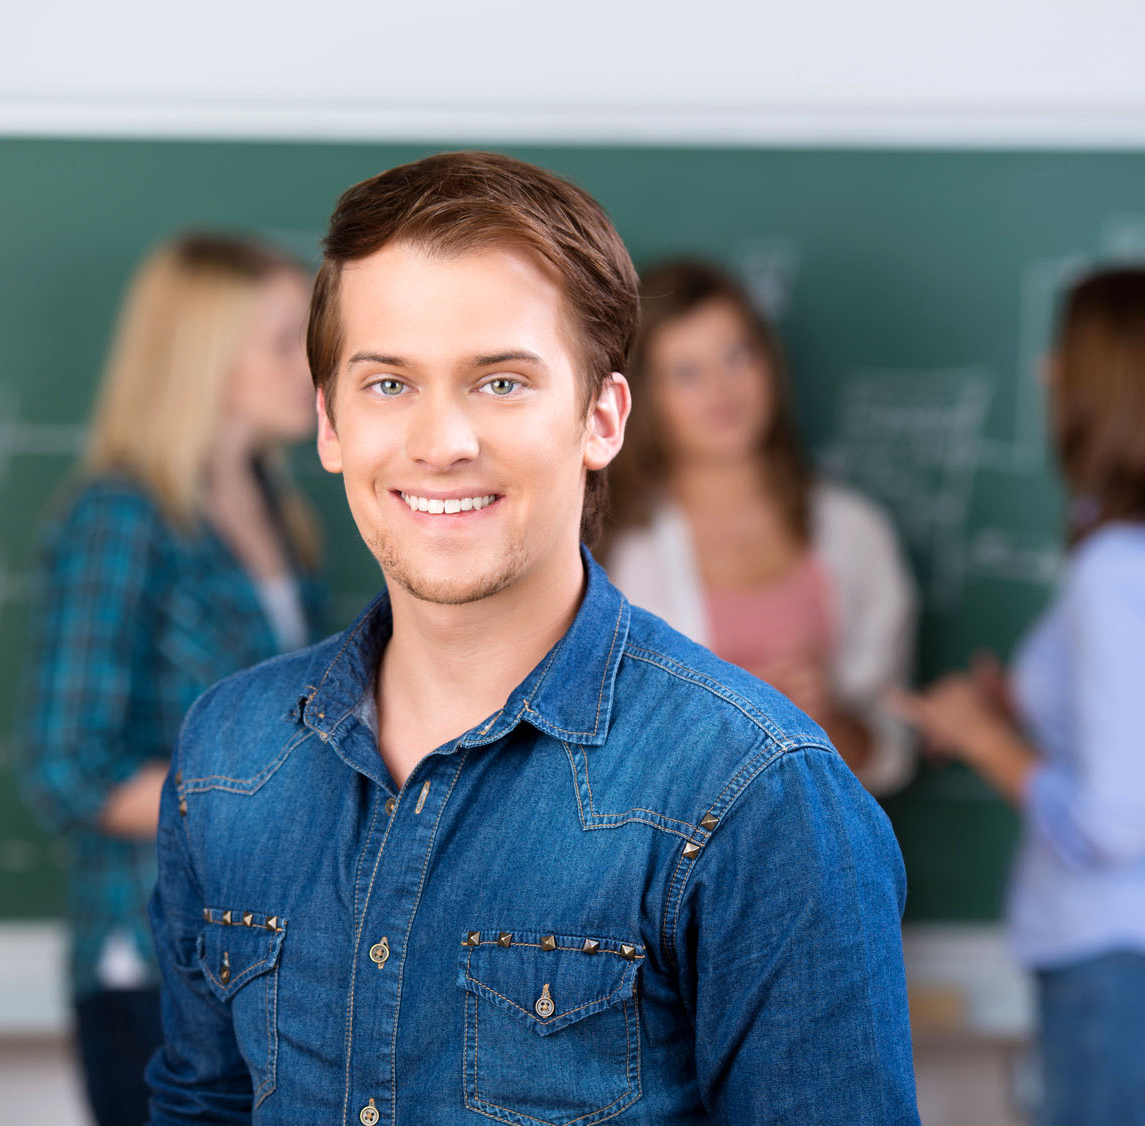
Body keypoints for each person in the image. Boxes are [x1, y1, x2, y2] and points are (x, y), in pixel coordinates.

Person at [145, 151, 918, 1124]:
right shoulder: (228, 754)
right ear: (329, 421)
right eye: (388, 384)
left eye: (500, 383)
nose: (442, 441)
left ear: (601, 418)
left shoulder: (759, 794)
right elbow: (200, 1103)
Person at [889, 265, 1145, 1125]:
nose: (1045, 373)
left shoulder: (1120, 572)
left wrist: (982, 739)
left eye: (1066, 354)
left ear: (1116, 386)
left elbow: (1114, 823)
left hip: (1134, 968)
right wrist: (1017, 704)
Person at [18, 232, 324, 1126]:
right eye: (283, 343)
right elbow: (67, 767)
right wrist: (259, 809)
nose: (316, 367)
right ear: (207, 360)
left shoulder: (277, 510)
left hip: (267, 955)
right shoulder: (123, 516)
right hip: (152, 964)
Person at [602, 259, 918, 795]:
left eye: (737, 355)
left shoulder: (854, 530)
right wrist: (742, 720)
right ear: (646, 398)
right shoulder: (614, 549)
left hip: (820, 866)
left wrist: (831, 719)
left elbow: (893, 751)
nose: (721, 390)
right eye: (686, 372)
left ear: (768, 360)